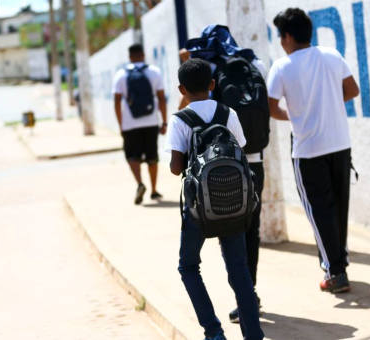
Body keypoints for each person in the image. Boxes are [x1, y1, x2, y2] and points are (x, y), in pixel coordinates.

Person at [166, 58, 264, 340]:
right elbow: (241, 149)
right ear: (212, 85)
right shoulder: (228, 112)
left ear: (182, 89)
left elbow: (175, 168)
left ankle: (213, 332)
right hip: (233, 203)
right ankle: (253, 335)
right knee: (238, 270)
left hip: (198, 208)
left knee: (188, 265)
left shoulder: (180, 119)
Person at [179, 25, 270, 324]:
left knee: (198, 254)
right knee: (248, 231)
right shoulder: (251, 64)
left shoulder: (207, 69)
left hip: (206, 177)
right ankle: (249, 297)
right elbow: (242, 143)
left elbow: (188, 110)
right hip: (250, 166)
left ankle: (222, 321)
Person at [267, 8, 360, 293]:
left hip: (308, 150)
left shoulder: (282, 67)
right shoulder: (332, 55)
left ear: (288, 37)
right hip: (340, 144)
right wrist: (328, 104)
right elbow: (352, 90)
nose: (281, 41)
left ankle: (335, 272)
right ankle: (336, 263)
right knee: (338, 209)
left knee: (319, 211)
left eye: (281, 36)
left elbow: (271, 107)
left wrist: (296, 116)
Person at [113, 43, 167, 205]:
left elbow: (116, 101)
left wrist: (121, 124)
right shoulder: (154, 72)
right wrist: (163, 121)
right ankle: (154, 190)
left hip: (130, 124)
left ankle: (140, 183)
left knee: (132, 156)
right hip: (151, 121)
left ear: (129, 57)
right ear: (143, 55)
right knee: (152, 156)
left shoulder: (121, 74)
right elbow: (162, 98)